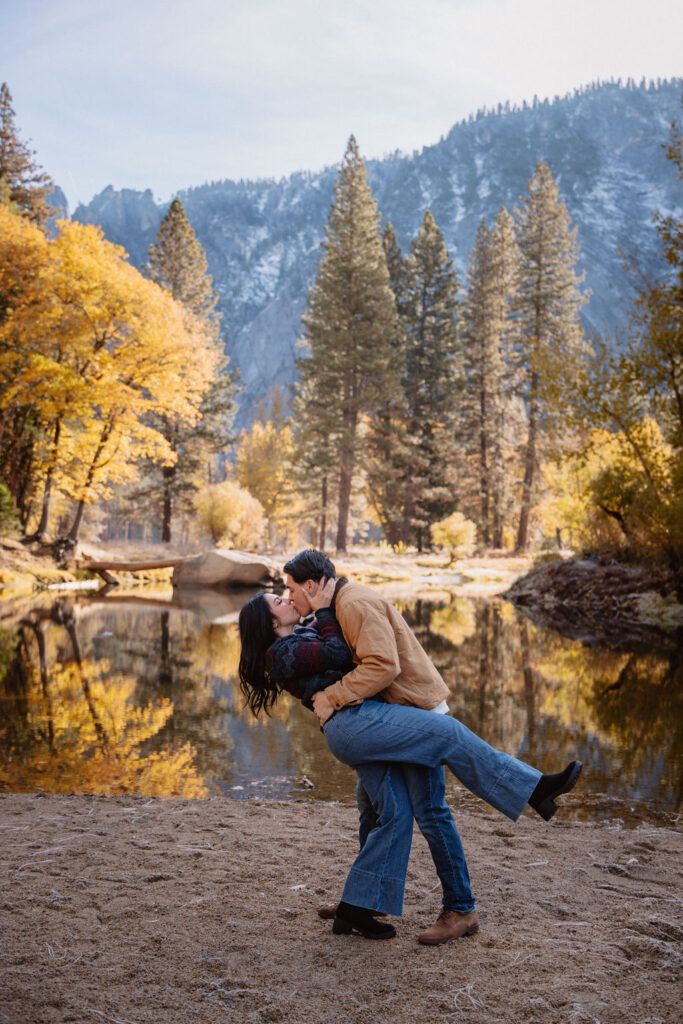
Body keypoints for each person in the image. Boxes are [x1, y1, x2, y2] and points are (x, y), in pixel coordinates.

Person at [238, 549, 582, 944]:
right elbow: (349, 658)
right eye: (281, 598)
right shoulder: (299, 637)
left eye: (290, 590)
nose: (289, 596)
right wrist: (331, 689)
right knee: (434, 765)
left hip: (391, 712)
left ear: (312, 586)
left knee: (395, 811)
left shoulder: (349, 605)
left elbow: (379, 664)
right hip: (365, 720)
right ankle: (532, 791)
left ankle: (368, 903)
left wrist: (331, 691)